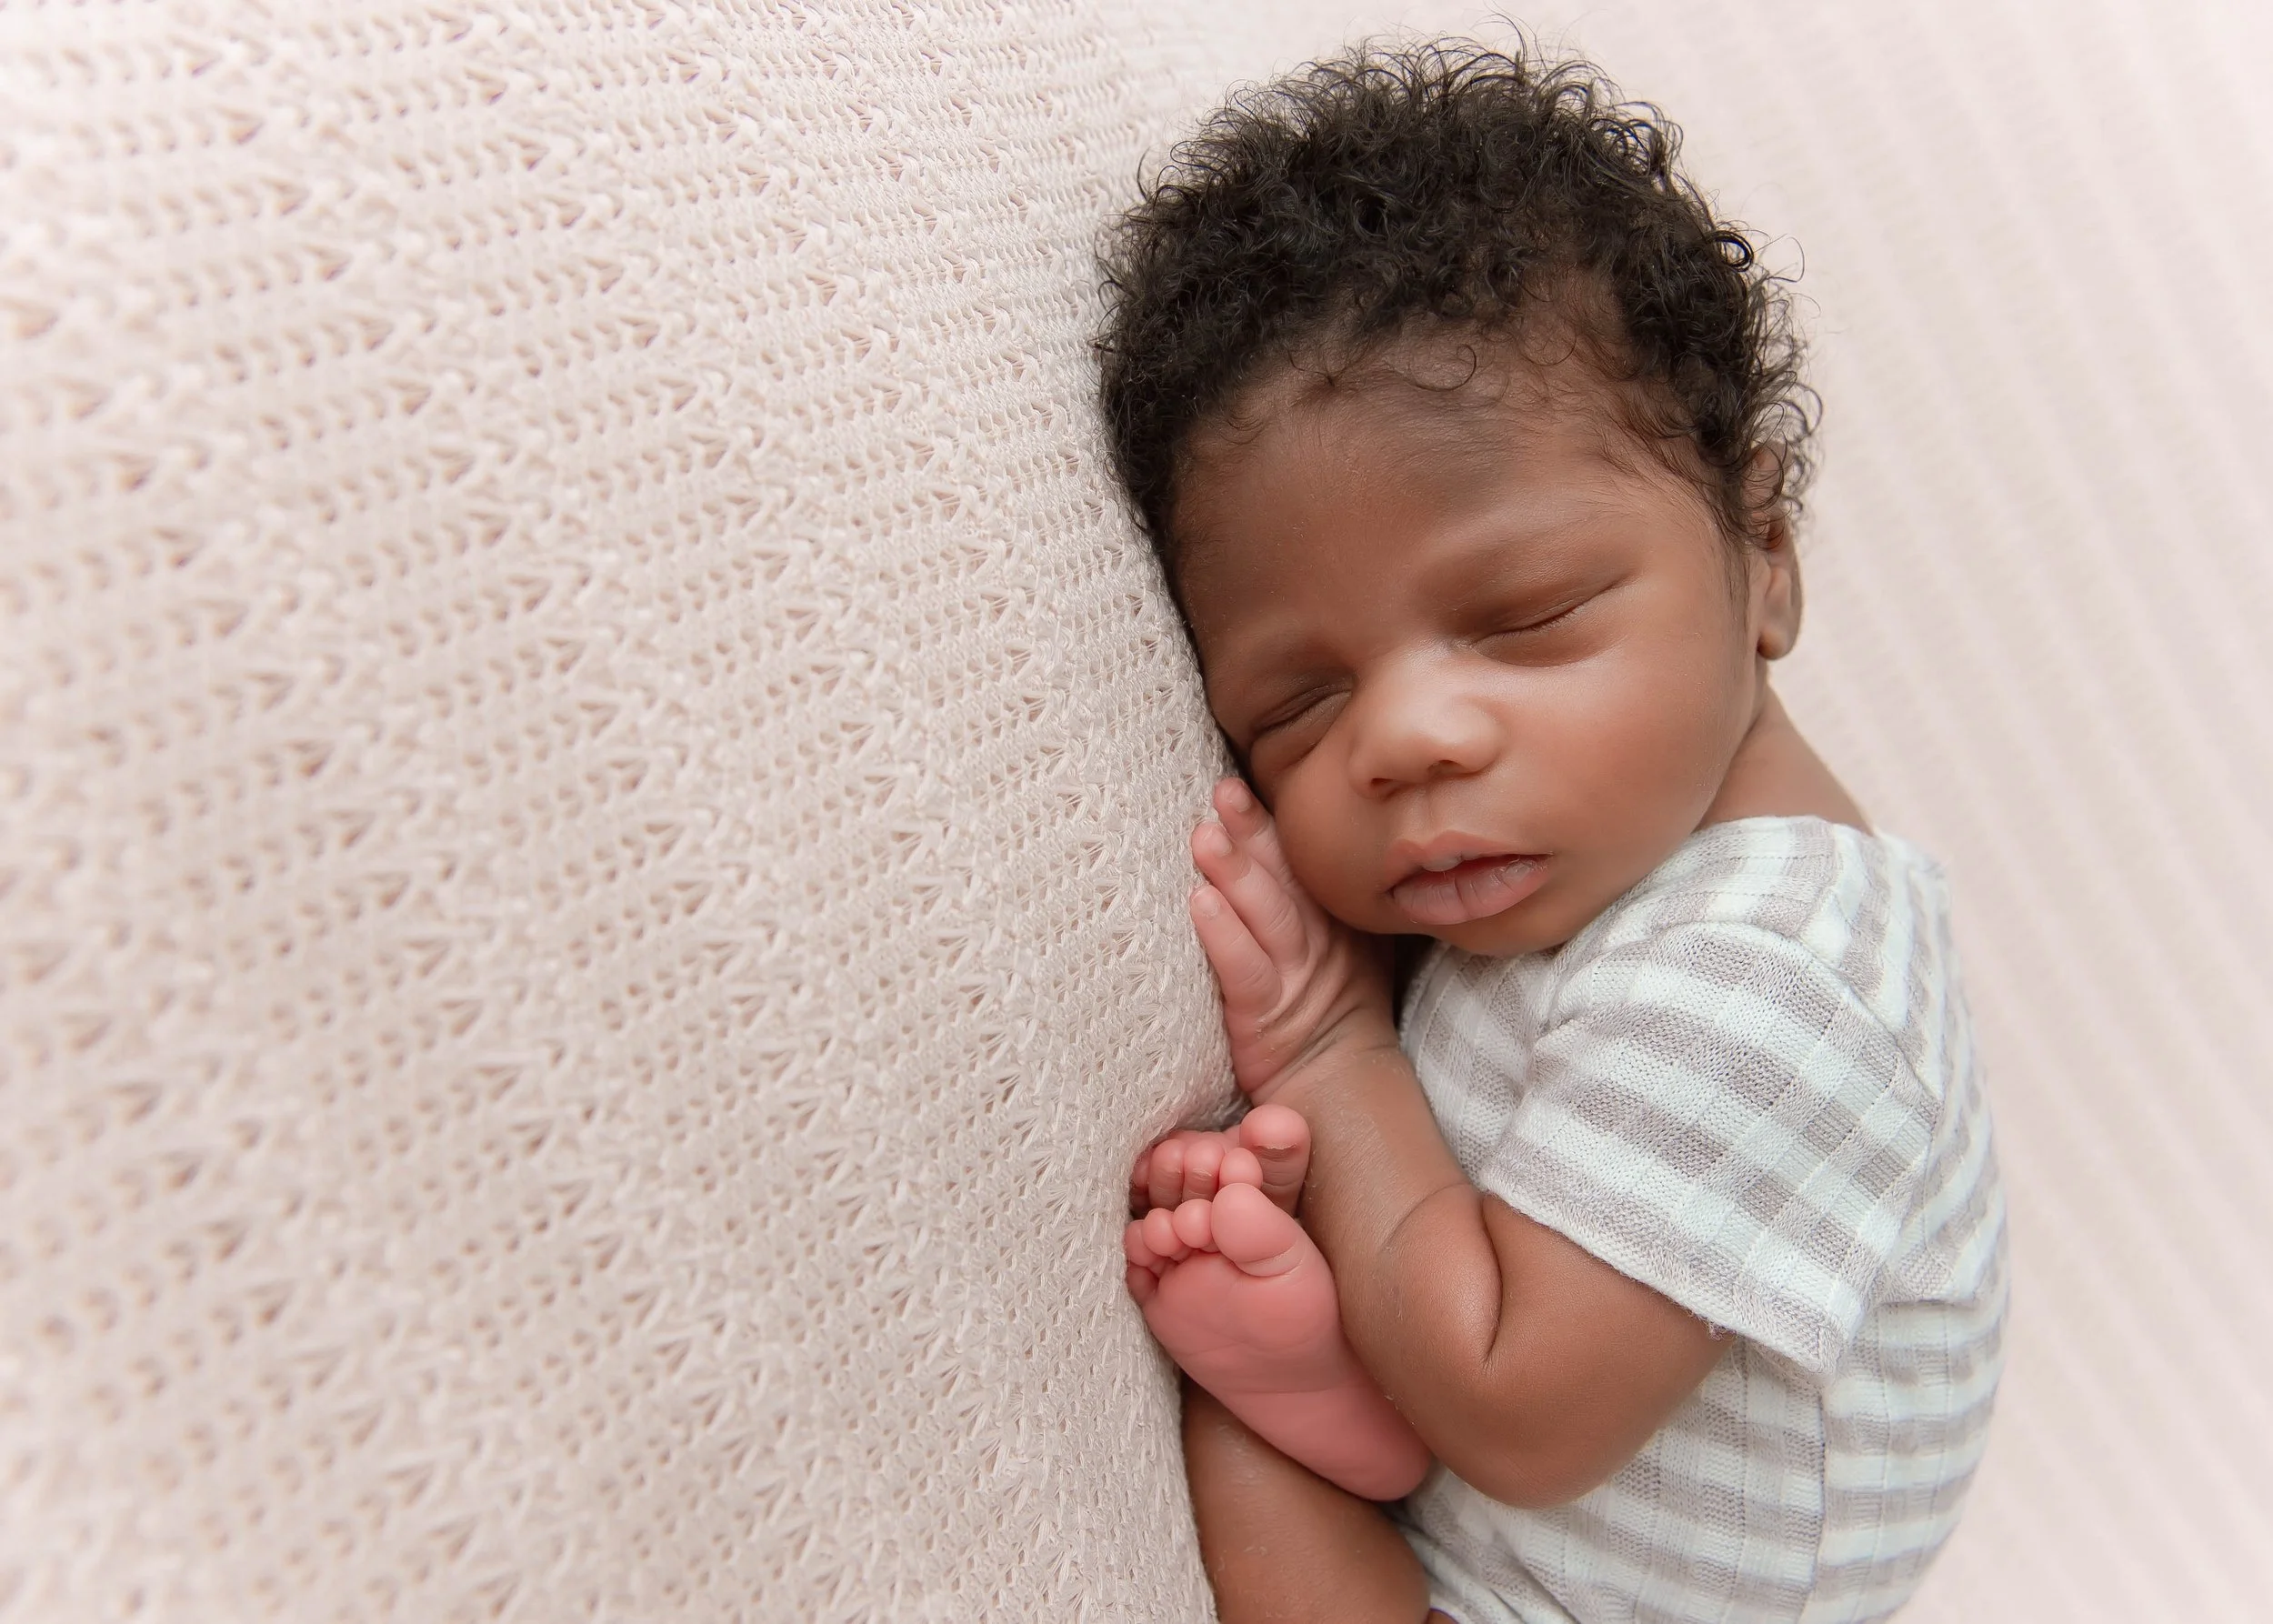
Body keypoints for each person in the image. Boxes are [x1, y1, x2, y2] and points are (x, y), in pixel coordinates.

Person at [1095, 40, 2008, 1624]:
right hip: (1474, 1500)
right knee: (1254, 1431)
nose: (1406, 740)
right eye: (1296, 708)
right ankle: (1355, 1412)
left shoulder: (1765, 977)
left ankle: (1347, 1423)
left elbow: (1522, 1406)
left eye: (1527, 617)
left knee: (1242, 1453)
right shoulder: (1581, 868)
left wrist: (1326, 1049)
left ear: (1767, 554)